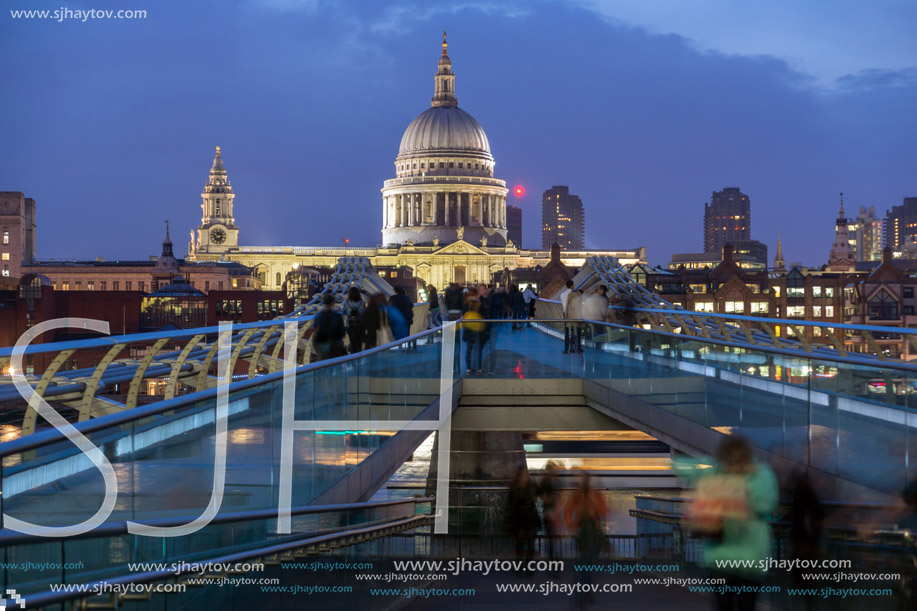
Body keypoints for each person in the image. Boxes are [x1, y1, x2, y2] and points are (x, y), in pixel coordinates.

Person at [674, 436, 778, 611]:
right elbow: (765, 505)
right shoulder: (761, 473)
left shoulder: (714, 471)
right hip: (751, 558)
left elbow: (678, 465)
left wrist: (713, 463)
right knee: (747, 606)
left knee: (723, 606)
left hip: (719, 557)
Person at [564, 471, 608, 602]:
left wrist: (572, 527)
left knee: (586, 561)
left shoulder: (589, 495)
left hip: (585, 531)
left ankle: (585, 588)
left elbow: (568, 513)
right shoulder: (580, 495)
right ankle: (587, 590)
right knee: (588, 561)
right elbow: (603, 512)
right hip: (587, 531)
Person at [505, 466, 539, 574]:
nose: (527, 476)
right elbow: (511, 505)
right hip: (520, 519)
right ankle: (520, 569)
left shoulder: (528, 487)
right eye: (525, 474)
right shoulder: (518, 488)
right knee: (521, 544)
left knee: (529, 545)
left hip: (527, 518)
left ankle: (527, 569)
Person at [538, 461, 561, 569]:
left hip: (550, 511)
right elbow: (544, 497)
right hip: (550, 512)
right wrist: (554, 498)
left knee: (552, 537)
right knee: (552, 537)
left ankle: (553, 560)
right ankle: (553, 561)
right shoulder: (547, 482)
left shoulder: (549, 481)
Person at [311, 294, 346, 361]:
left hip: (322, 345)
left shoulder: (318, 316)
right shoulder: (337, 316)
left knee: (324, 362)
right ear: (333, 303)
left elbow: (315, 329)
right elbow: (342, 333)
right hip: (335, 345)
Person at [462, 288, 485, 374]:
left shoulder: (465, 304)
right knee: (478, 349)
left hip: (468, 328)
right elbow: (483, 314)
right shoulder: (480, 304)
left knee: (469, 349)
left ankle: (468, 368)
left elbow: (463, 315)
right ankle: (478, 368)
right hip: (477, 328)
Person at [389, 286, 415, 351]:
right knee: (406, 334)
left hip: (396, 319)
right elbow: (411, 305)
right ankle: (406, 347)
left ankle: (399, 347)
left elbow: (388, 306)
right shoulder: (406, 298)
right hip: (407, 318)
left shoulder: (392, 298)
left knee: (396, 333)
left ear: (396, 291)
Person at [342, 286, 366, 354]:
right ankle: (359, 358)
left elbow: (343, 312)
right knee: (359, 342)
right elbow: (364, 312)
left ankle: (353, 358)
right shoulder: (362, 302)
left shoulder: (347, 303)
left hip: (350, 324)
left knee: (352, 342)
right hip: (360, 324)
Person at [564, 289, 584, 353]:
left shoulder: (569, 296)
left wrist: (566, 316)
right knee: (577, 334)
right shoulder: (578, 297)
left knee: (568, 334)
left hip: (569, 318)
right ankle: (577, 349)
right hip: (576, 319)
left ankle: (567, 349)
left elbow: (566, 307)